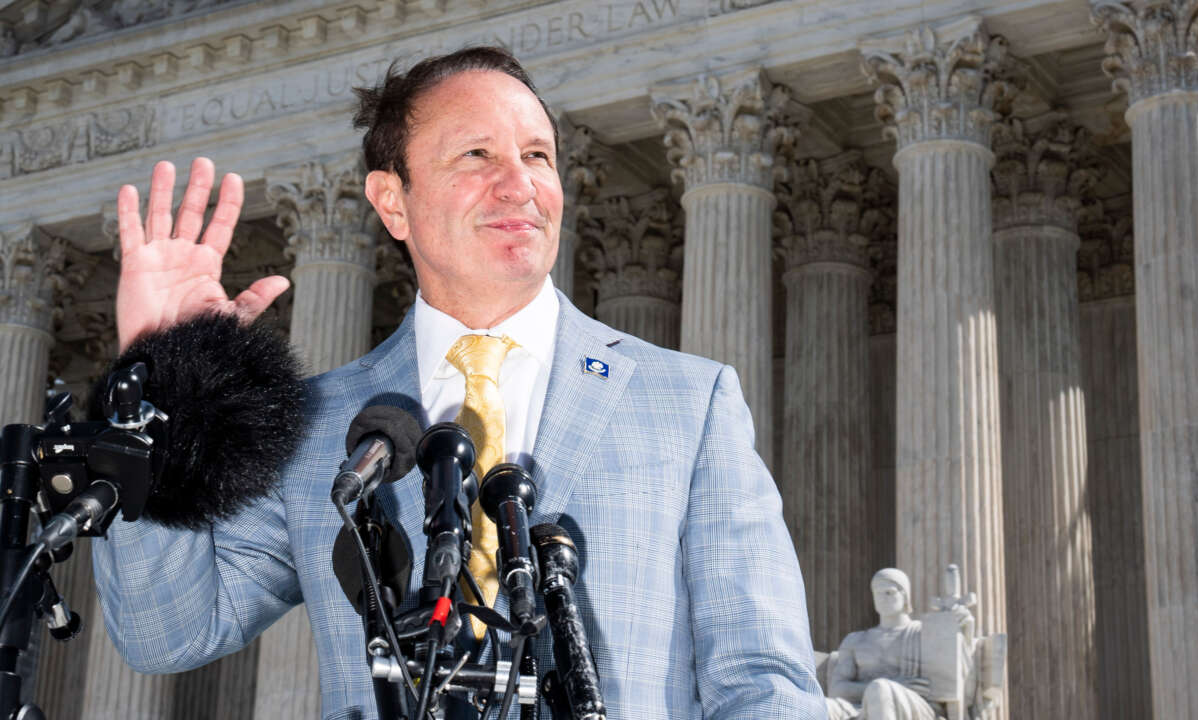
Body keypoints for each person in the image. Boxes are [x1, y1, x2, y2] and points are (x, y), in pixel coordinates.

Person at [91, 46, 825, 719]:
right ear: (392, 201)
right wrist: (155, 388)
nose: (520, 185)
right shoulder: (316, 423)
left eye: (537, 155)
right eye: (477, 154)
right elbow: (167, 635)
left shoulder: (688, 403)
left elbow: (763, 680)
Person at [825, 568, 938, 720]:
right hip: (856, 708)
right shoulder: (855, 640)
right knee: (820, 706)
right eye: (878, 593)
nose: (882, 598)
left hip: (912, 706)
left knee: (880, 690)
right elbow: (837, 689)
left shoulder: (923, 633)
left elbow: (951, 668)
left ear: (905, 595)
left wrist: (963, 628)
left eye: (889, 592)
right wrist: (881, 686)